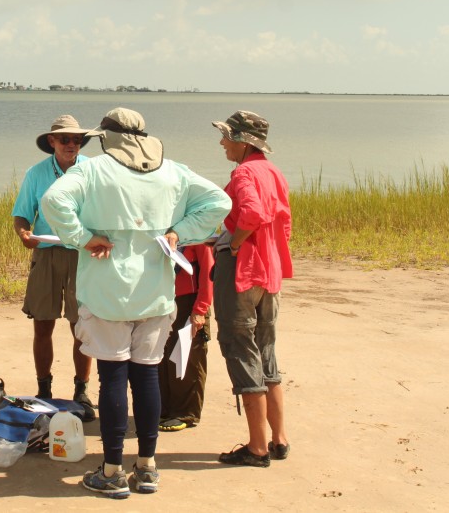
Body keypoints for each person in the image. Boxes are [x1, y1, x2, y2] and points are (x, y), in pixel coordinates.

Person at [42, 107, 230, 499]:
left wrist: (82, 236)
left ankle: (111, 470)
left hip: (107, 286)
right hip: (157, 289)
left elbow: (53, 201)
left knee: (112, 377)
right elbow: (219, 202)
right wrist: (180, 232)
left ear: (106, 137)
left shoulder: (92, 170)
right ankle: (146, 467)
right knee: (145, 378)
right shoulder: (173, 171)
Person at [210, 110, 293, 468]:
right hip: (269, 273)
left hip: (243, 272)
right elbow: (283, 222)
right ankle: (278, 438)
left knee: (240, 348)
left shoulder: (243, 172)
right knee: (266, 351)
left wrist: (235, 243)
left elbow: (253, 214)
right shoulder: (274, 172)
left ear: (243, 142)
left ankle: (257, 447)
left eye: (227, 136)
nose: (222, 142)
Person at [11, 115, 95, 418]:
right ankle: (44, 388)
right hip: (45, 253)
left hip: (82, 254)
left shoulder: (92, 170)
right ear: (52, 142)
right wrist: (23, 234)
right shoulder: (36, 173)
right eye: (64, 140)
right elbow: (21, 215)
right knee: (42, 324)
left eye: (77, 140)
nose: (71, 145)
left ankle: (81, 390)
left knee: (82, 326)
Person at [157, 242, 214, 432]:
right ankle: (165, 410)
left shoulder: (197, 231)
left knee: (188, 359)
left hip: (191, 301)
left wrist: (200, 309)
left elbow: (208, 270)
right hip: (165, 299)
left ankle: (185, 413)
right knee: (163, 357)